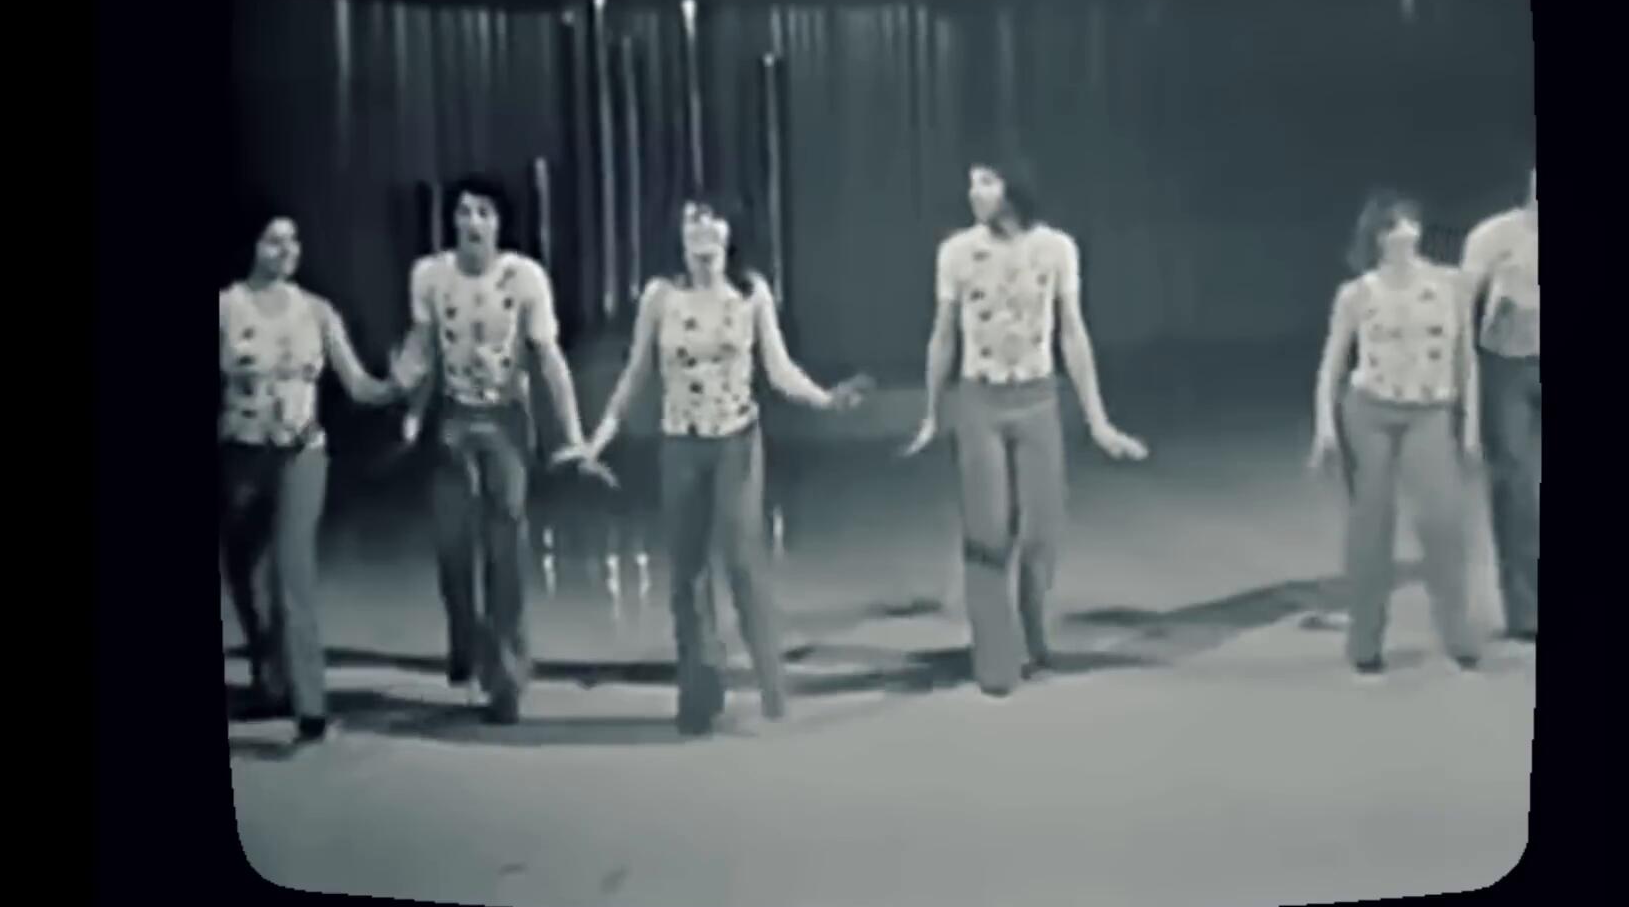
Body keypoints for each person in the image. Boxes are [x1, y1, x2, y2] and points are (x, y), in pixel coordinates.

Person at [575, 198, 869, 737]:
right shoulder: (660, 298)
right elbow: (635, 375)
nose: (703, 230)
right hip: (680, 446)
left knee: (742, 560)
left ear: (731, 232)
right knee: (687, 575)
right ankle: (699, 692)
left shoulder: (751, 295)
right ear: (679, 235)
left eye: (713, 220)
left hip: (737, 442)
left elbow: (778, 370)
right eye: (692, 220)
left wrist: (826, 400)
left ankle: (771, 684)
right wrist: (597, 440)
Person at [905, 157, 1149, 698]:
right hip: (980, 401)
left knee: (1041, 530)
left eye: (987, 182)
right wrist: (932, 411)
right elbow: (943, 337)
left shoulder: (1056, 249)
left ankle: (1033, 628)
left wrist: (1098, 420)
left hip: (1037, 399)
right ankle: (994, 655)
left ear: (1013, 186)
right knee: (987, 531)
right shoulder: (957, 253)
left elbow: (1072, 335)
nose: (975, 192)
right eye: (971, 182)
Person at [392, 174, 595, 725]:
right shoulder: (430, 276)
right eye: (463, 212)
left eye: (483, 212)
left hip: (506, 421)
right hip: (452, 420)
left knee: (505, 548)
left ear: (500, 223)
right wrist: (410, 411)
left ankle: (506, 676)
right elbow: (424, 350)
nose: (472, 222)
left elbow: (548, 358)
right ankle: (466, 636)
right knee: (453, 546)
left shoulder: (524, 278)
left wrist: (573, 433)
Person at [219, 209, 403, 744]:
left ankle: (310, 704)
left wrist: (399, 384)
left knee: (290, 574)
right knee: (244, 574)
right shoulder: (226, 308)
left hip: (302, 453)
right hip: (241, 455)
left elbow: (359, 385)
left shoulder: (317, 312)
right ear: (252, 247)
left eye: (293, 240)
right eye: (274, 241)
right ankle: (270, 678)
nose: (287, 250)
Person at [1308, 190, 1483, 680]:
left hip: (1431, 410)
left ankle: (1457, 634)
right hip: (1370, 411)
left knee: (1442, 521)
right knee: (1371, 525)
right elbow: (1331, 364)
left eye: (1410, 223)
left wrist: (1470, 426)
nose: (1405, 233)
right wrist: (1324, 425)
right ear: (1377, 237)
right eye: (1392, 225)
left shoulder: (1450, 286)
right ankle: (1365, 640)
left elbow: (1466, 360)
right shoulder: (1357, 293)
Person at [1461, 167, 1540, 643]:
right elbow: (1461, 304)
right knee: (1514, 482)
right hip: (1508, 365)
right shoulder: (1494, 235)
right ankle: (1525, 610)